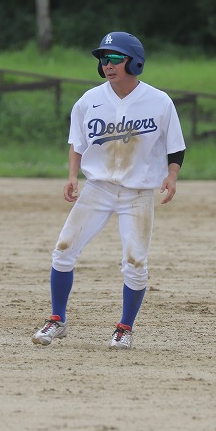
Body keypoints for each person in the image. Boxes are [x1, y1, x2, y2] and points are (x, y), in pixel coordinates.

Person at [31, 31, 187, 350]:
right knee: (63, 250)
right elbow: (77, 143)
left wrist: (172, 176)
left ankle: (124, 327)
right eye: (104, 58)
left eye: (115, 58)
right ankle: (57, 320)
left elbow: (176, 147)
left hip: (137, 193)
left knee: (136, 263)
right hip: (98, 189)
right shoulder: (89, 100)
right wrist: (72, 176)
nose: (108, 64)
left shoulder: (159, 102)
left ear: (135, 62)